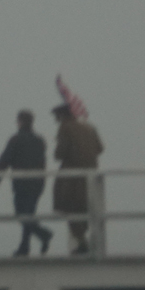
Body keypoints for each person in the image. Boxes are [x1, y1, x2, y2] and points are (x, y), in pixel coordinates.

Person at [0, 110, 53, 257]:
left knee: (22, 215)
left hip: (21, 184)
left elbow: (5, 159)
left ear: (20, 121)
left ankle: (40, 237)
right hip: (37, 183)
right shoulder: (39, 140)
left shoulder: (15, 139)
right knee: (28, 214)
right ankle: (28, 244)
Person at [51, 104, 104, 256]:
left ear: (62, 116)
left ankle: (82, 243)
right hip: (91, 175)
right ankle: (85, 241)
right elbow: (100, 148)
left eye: (57, 117)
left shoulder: (65, 128)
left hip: (71, 177)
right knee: (84, 208)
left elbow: (60, 153)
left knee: (68, 208)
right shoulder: (89, 127)